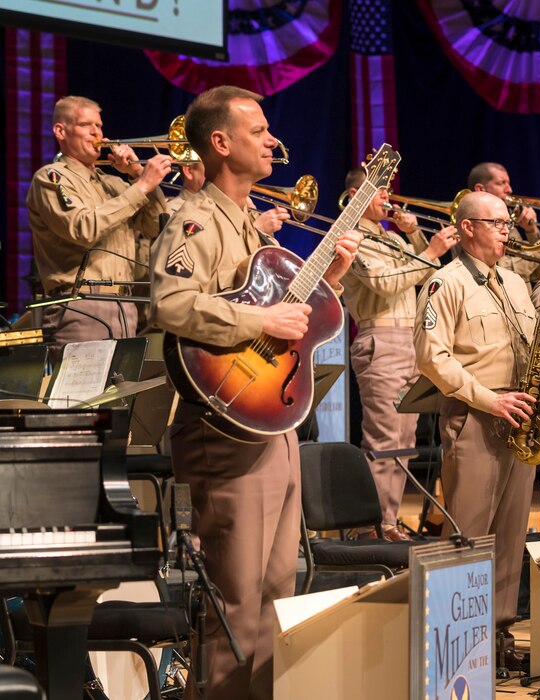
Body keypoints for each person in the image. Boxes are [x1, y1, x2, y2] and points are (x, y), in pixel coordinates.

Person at [149, 85, 360, 699]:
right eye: (259, 131)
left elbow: (272, 308)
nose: (274, 141)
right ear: (220, 143)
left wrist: (331, 282)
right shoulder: (194, 218)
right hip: (225, 428)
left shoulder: (245, 220)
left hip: (270, 423)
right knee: (234, 605)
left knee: (275, 598)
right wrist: (260, 323)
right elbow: (172, 304)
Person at [413, 190, 540, 666]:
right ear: (467, 229)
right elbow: (431, 358)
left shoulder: (517, 284)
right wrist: (490, 399)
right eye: (496, 223)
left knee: (508, 538)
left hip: (520, 417)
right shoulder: (446, 283)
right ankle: (452, 646)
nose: (507, 230)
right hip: (476, 416)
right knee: (468, 537)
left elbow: (530, 346)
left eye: (506, 223)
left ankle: (498, 641)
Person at [341, 166, 458, 540]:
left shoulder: (393, 238)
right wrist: (431, 249)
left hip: (410, 340)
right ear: (358, 194)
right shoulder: (352, 237)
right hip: (381, 338)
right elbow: (385, 283)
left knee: (404, 442)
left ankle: (387, 521)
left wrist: (415, 235)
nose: (388, 199)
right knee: (382, 439)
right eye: (380, 192)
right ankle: (369, 524)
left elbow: (427, 274)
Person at [27, 95, 169, 354]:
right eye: (85, 125)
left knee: (123, 394)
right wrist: (142, 185)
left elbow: (157, 227)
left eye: (99, 126)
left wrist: (138, 174)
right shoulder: (51, 178)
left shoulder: (114, 184)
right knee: (83, 394)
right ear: (61, 130)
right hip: (81, 304)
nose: (97, 133)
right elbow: (84, 229)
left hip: (126, 305)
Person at [467, 162, 540, 284]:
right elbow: (507, 273)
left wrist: (531, 231)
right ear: (480, 189)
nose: (509, 189)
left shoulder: (507, 223)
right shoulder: (473, 226)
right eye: (501, 183)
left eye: (508, 183)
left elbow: (538, 273)